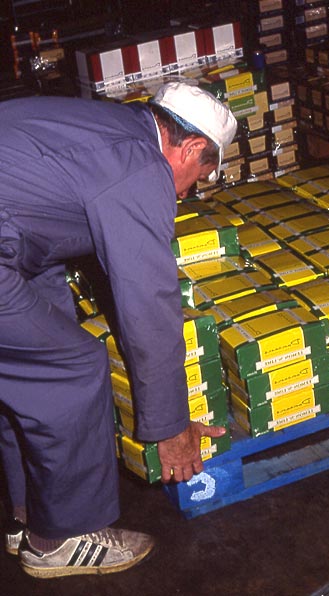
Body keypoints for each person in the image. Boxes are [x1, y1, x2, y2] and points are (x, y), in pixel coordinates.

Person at [0, 80, 237, 578]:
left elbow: (37, 237)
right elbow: (148, 300)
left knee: (28, 373)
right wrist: (170, 425)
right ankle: (60, 538)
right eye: (200, 175)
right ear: (192, 147)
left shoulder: (109, 129)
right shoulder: (141, 170)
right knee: (73, 369)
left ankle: (28, 518)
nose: (191, 190)